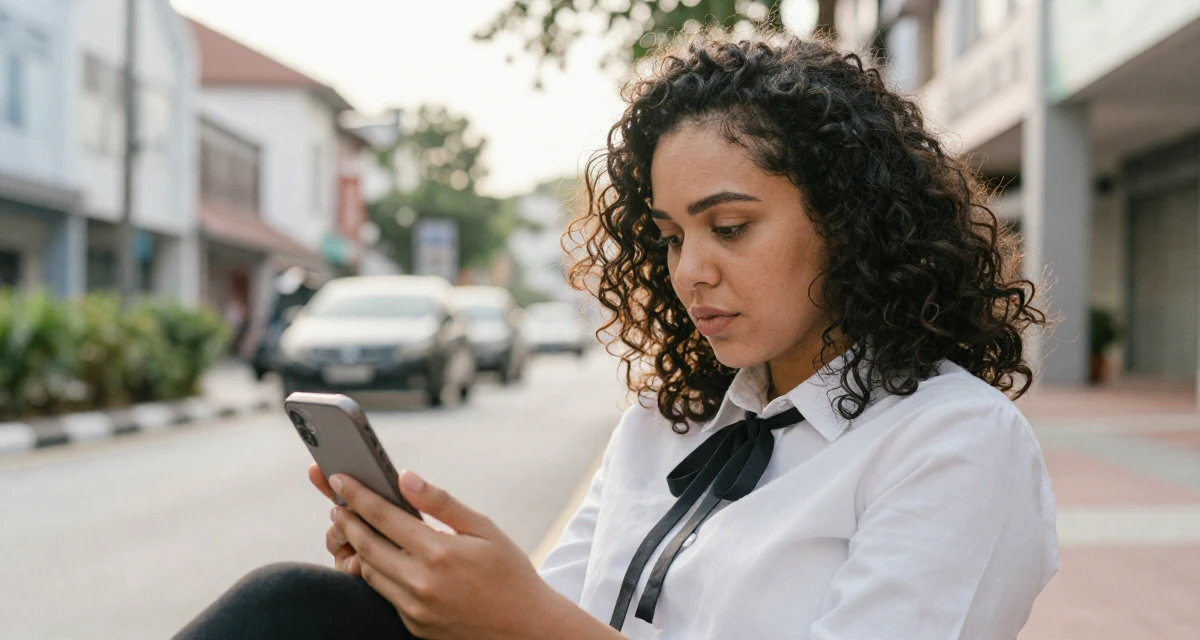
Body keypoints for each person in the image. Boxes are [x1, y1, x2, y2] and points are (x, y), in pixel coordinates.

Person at [175, 30, 1057, 640]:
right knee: (294, 608)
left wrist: (524, 620)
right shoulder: (665, 423)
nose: (690, 271)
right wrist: (442, 585)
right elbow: (548, 615)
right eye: (672, 236)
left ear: (850, 221)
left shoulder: (952, 441)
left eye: (730, 227)